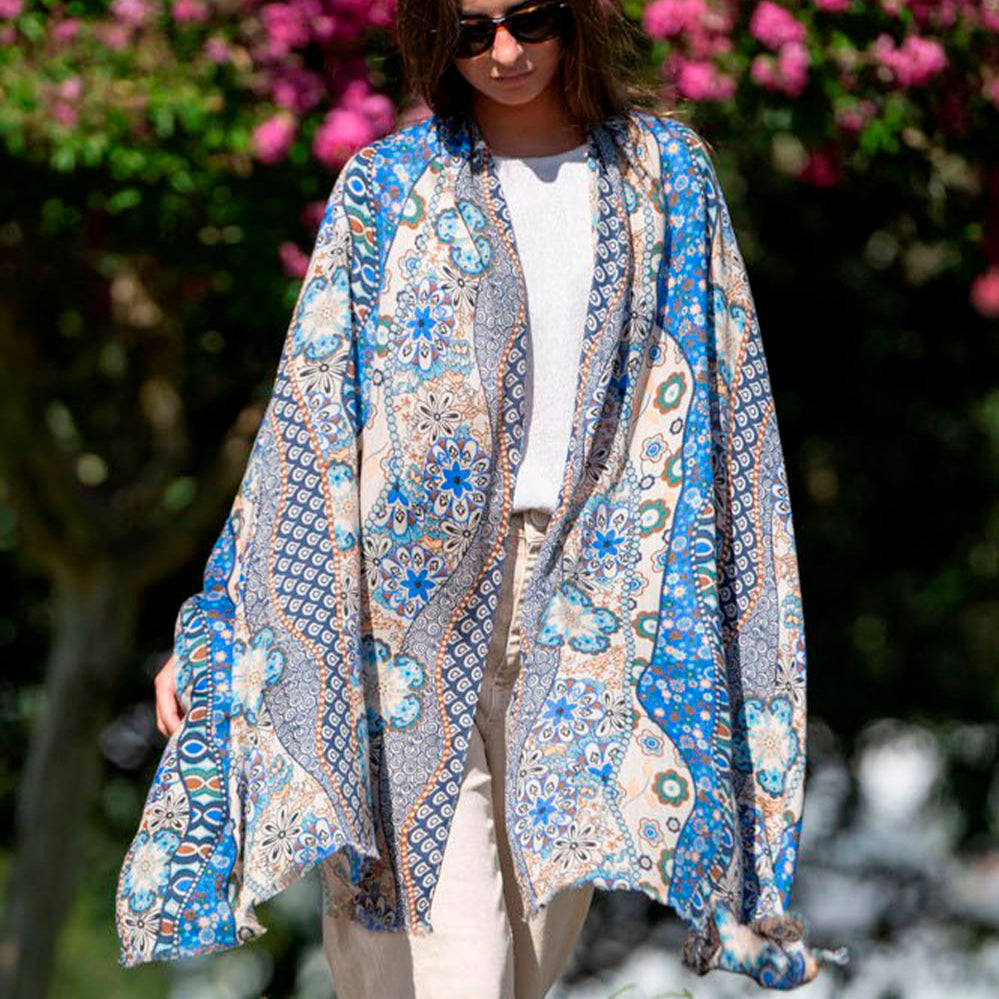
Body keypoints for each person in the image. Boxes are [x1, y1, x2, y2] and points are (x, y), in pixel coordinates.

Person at [120, 0, 850, 994]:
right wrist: (221, 624)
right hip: (403, 619)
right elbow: (312, 418)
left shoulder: (667, 178)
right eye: (470, 32)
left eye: (530, 19)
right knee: (450, 970)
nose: (504, 53)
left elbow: (732, 414)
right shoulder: (387, 188)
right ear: (434, 37)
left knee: (523, 974)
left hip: (596, 622)